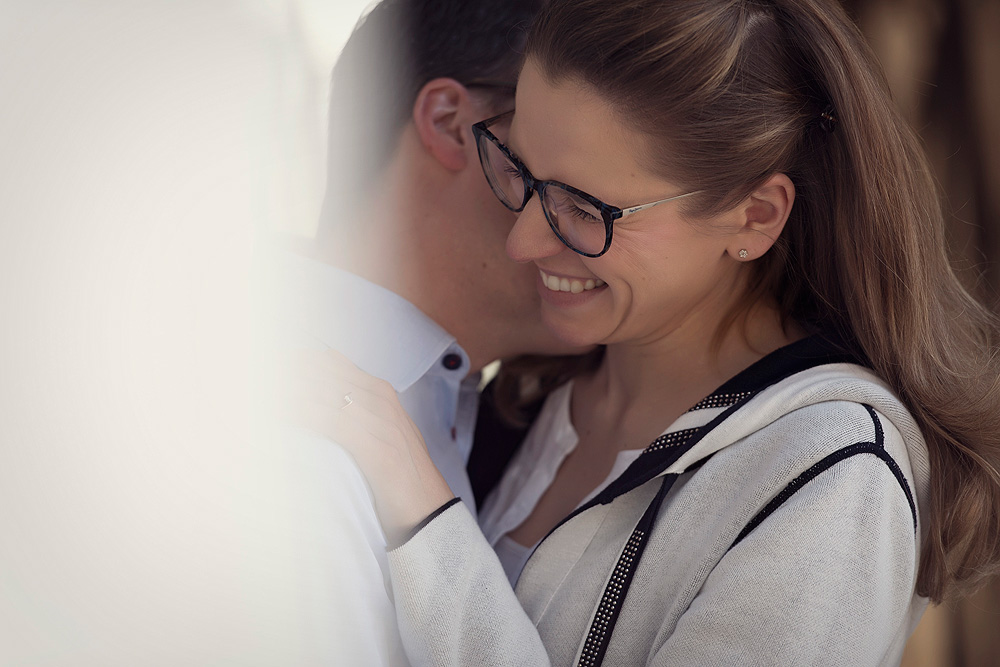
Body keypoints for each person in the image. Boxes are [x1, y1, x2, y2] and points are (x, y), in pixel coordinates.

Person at [297, 0, 1000, 665]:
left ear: (755, 217)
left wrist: (424, 515)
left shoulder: (833, 475)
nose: (524, 239)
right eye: (522, 174)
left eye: (583, 207)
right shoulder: (527, 395)